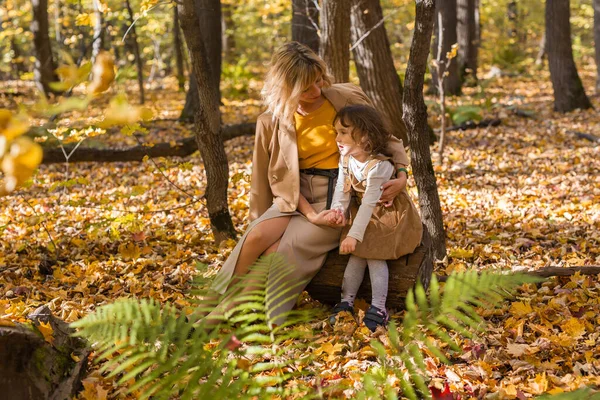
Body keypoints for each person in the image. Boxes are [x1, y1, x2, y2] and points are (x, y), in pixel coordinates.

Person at [206, 42, 413, 326]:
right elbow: (263, 178)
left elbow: (384, 138)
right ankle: (208, 304)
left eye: (317, 80)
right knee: (254, 238)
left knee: (275, 252)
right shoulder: (271, 121)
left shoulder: (345, 97)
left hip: (338, 199)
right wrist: (263, 217)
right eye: (305, 87)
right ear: (286, 87)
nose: (316, 91)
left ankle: (224, 316)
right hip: (295, 198)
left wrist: (402, 175)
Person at [323, 105, 423, 331]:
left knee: (374, 255)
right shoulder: (346, 158)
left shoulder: (378, 166)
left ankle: (379, 307)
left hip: (386, 215)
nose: (337, 138)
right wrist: (337, 210)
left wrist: (353, 235)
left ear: (365, 136)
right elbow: (342, 187)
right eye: (336, 132)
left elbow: (370, 203)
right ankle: (346, 302)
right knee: (357, 257)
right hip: (364, 214)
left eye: (344, 132)